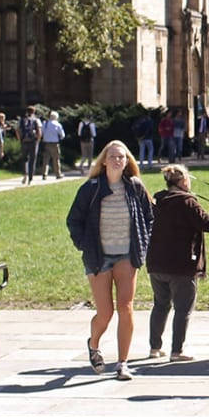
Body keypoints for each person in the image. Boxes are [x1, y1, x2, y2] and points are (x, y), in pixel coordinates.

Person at [66, 140, 154, 380]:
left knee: (126, 308)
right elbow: (74, 220)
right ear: (104, 160)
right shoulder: (91, 188)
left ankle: (123, 363)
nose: (118, 160)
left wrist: (142, 244)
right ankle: (94, 344)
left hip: (127, 255)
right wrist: (84, 245)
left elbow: (149, 218)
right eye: (113, 156)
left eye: (122, 157)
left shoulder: (135, 187)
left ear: (128, 162)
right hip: (99, 256)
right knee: (105, 313)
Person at [147, 164, 209, 361]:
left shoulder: (158, 200)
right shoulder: (187, 202)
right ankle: (177, 351)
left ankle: (154, 347)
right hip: (182, 265)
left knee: (160, 305)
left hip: (156, 263)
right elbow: (208, 223)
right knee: (182, 309)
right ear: (183, 181)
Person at [18, 107, 43, 184]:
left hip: (24, 141)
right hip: (33, 142)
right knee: (32, 159)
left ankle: (25, 174)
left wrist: (20, 139)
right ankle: (30, 177)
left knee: (24, 159)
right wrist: (38, 140)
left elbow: (17, 130)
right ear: (34, 112)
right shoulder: (36, 120)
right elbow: (39, 131)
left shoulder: (22, 120)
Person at [41, 111, 66, 179]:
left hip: (46, 143)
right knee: (56, 159)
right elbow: (62, 135)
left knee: (46, 159)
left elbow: (41, 132)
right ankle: (58, 174)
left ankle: (44, 174)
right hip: (55, 143)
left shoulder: (45, 123)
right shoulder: (57, 124)